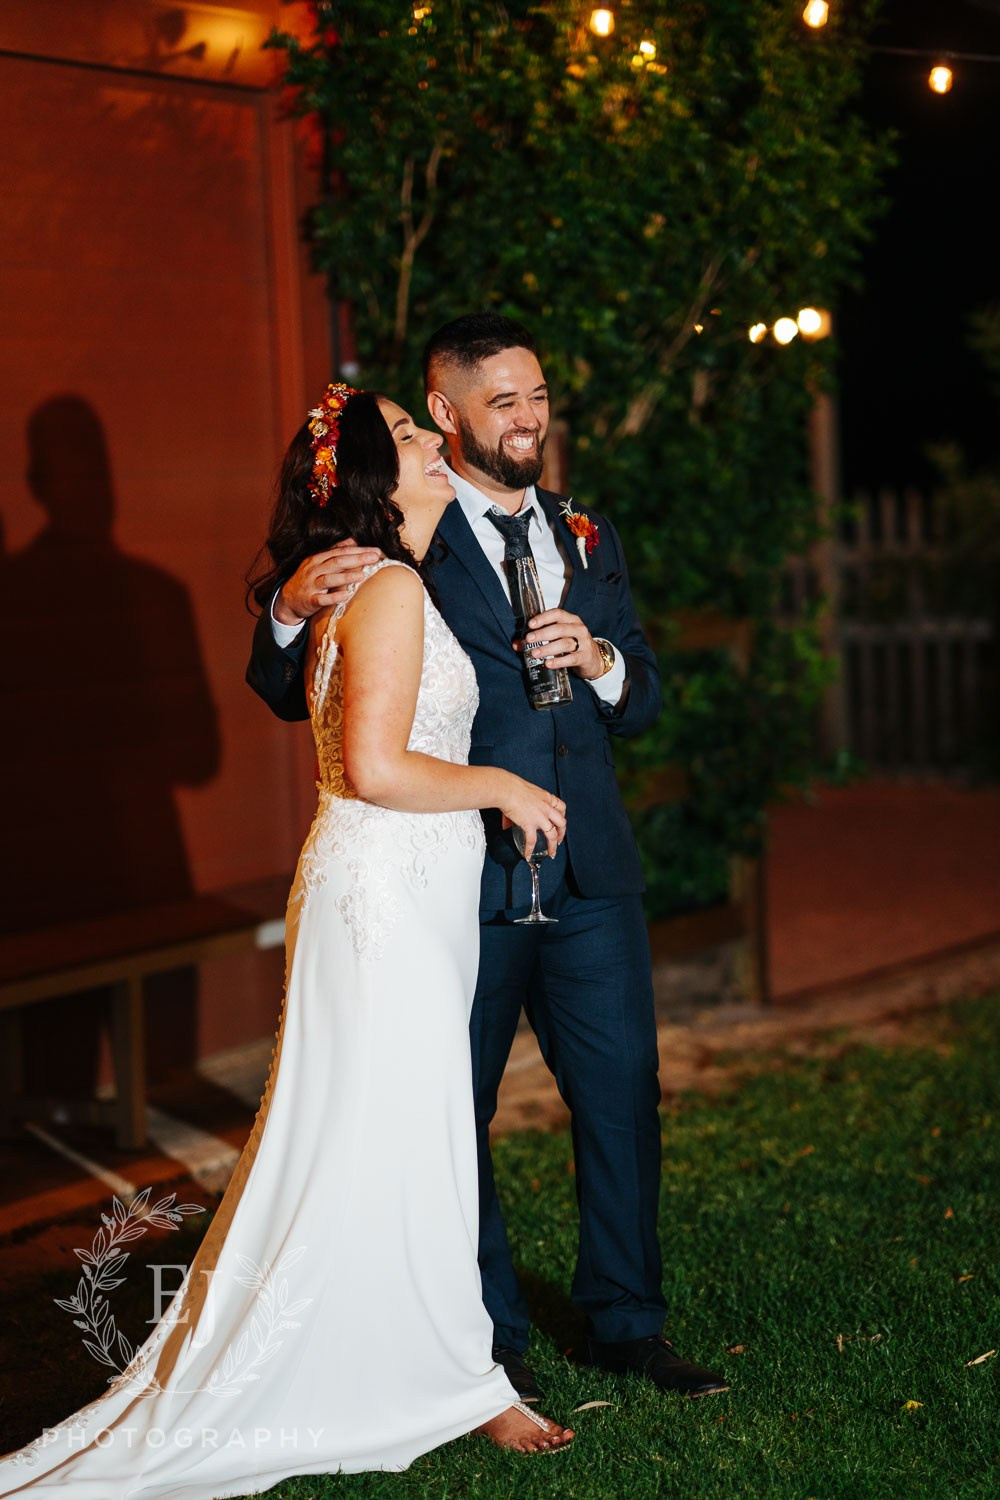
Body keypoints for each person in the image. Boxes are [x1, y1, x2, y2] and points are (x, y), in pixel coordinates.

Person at [0, 386, 574, 1500]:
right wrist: (505, 783)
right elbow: (376, 767)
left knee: (392, 1134)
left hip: (390, 885)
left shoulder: (365, 583)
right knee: (394, 1130)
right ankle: (451, 1377)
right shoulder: (388, 587)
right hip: (389, 890)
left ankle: (442, 1365)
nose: (434, 441)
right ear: (377, 475)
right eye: (412, 435)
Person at [247, 314, 729, 1403]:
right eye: (503, 401)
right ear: (448, 410)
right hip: (453, 876)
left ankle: (626, 1322)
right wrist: (285, 606)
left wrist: (602, 658)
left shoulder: (588, 535)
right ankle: (486, 1335)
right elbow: (294, 686)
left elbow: (643, 693)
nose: (530, 419)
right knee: (448, 1110)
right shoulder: (398, 539)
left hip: (591, 873)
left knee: (621, 1098)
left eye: (540, 396)